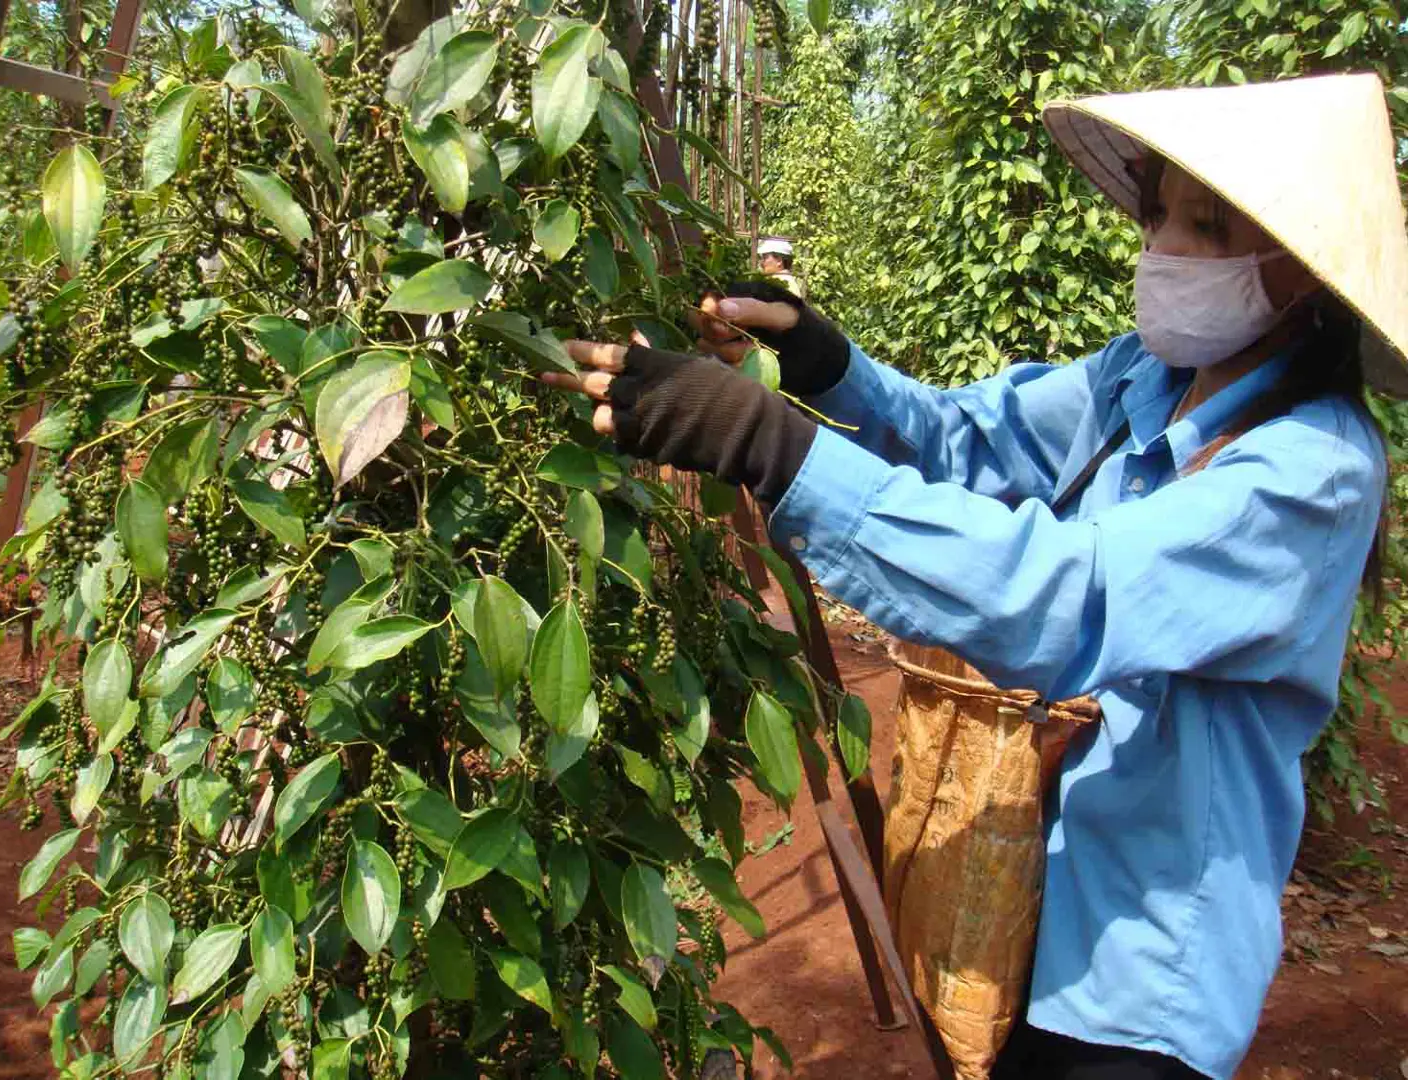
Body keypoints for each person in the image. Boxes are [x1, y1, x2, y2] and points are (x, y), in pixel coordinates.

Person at [544, 73, 1408, 1079]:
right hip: (1018, 912)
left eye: (1204, 228)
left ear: (1298, 272)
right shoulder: (1141, 378)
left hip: (1140, 972)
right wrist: (826, 366)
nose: (1162, 247)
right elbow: (969, 439)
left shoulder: (1312, 470)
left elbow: (1063, 597)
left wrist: (772, 446)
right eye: (1160, 211)